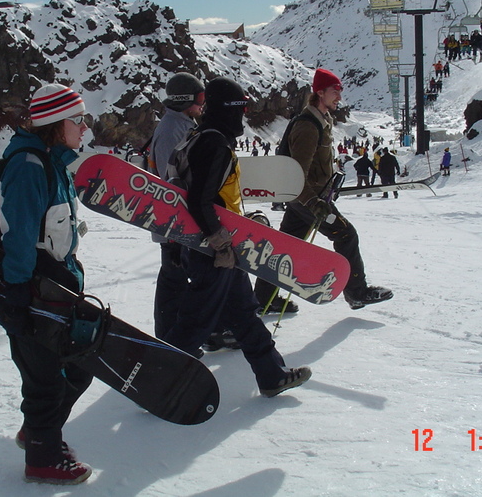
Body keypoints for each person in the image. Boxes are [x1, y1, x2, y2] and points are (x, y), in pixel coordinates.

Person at [162, 76, 311, 398]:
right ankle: (156, 379)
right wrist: (219, 241)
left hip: (216, 246)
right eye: (240, 109)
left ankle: (272, 374)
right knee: (195, 322)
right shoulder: (213, 143)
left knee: (243, 313)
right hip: (213, 251)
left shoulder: (203, 136)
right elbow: (200, 199)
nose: (242, 116)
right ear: (229, 109)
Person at [0, 83, 93, 484]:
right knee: (46, 375)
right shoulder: (29, 166)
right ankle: (42, 457)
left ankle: (37, 433)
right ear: (57, 122)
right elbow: (19, 233)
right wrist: (17, 293)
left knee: (75, 368)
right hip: (34, 286)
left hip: (54, 282)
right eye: (79, 119)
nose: (84, 128)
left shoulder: (51, 161)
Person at [254, 68, 393, 311]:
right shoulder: (308, 127)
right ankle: (357, 293)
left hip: (307, 199)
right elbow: (297, 175)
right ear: (320, 92)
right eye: (334, 90)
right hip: (309, 200)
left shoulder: (321, 121)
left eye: (340, 90)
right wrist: (313, 202)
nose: (339, 95)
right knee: (346, 235)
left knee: (286, 246)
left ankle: (262, 300)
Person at [147, 72, 205, 338]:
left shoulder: (182, 125)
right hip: (173, 223)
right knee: (174, 279)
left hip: (181, 221)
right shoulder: (172, 130)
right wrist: (172, 234)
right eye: (200, 98)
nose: (202, 104)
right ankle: (170, 338)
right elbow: (169, 184)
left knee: (184, 278)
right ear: (185, 100)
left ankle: (196, 331)